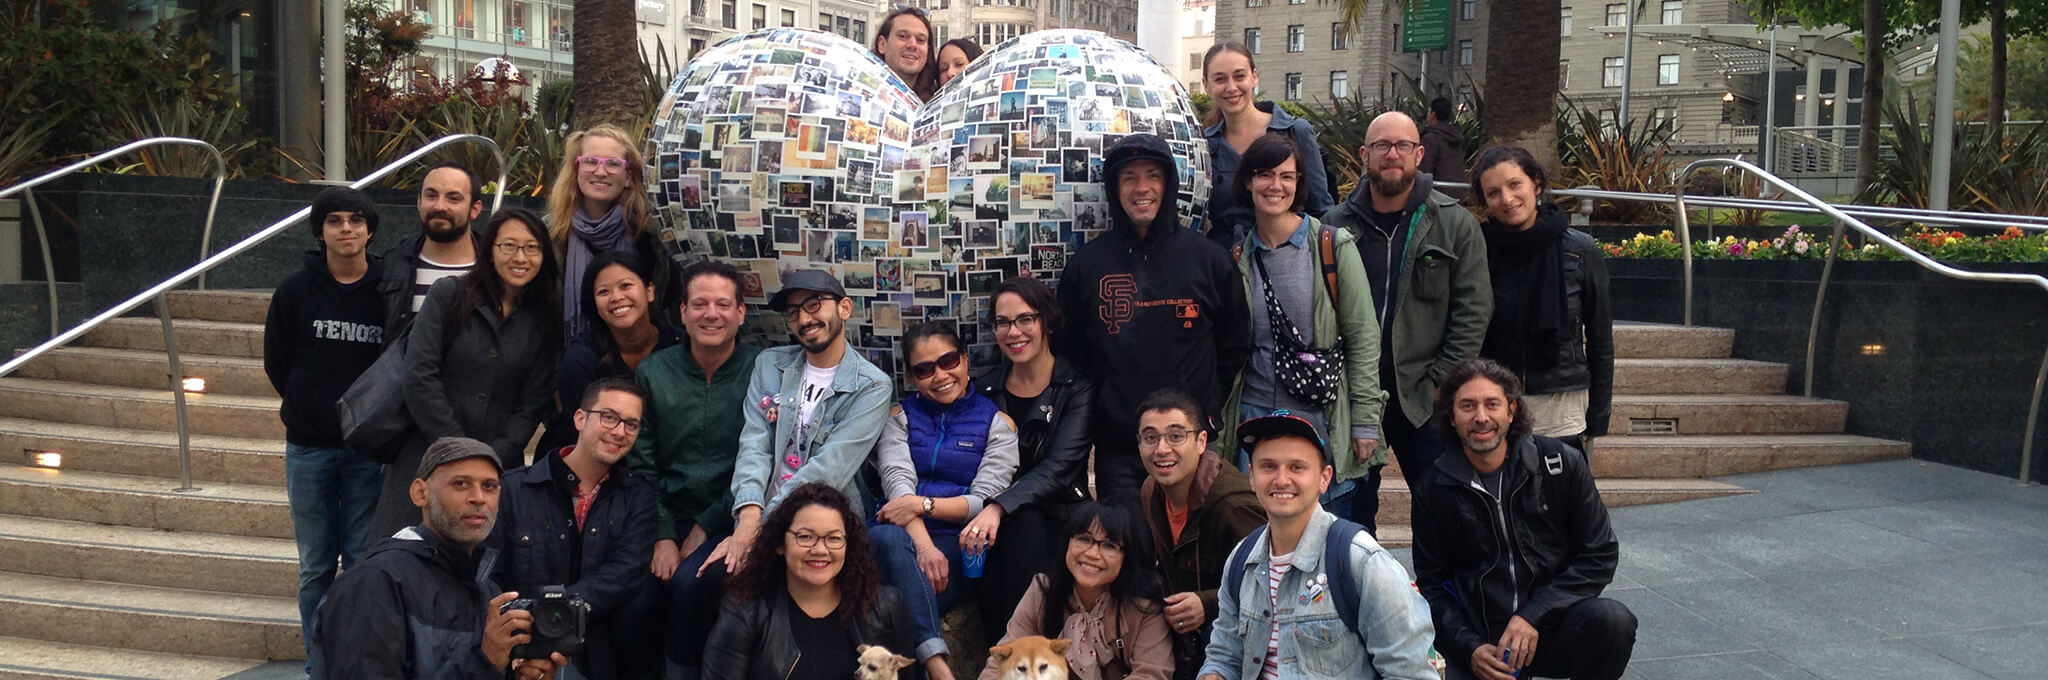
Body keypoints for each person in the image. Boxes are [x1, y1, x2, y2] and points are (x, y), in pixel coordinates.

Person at [1057, 133, 1252, 514]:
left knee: (1195, 556)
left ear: (1169, 184)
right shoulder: (1086, 266)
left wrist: (1207, 409)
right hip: (1120, 446)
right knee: (1131, 554)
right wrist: (1102, 411)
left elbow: (1234, 343)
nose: (1141, 188)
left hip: (1190, 442)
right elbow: (1070, 349)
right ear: (1115, 188)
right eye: (1129, 177)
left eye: (1152, 176)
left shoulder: (1209, 260)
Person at [1320, 111, 1491, 535]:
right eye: (1381, 146)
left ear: (1419, 154)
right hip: (1354, 397)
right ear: (1365, 155)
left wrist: (1440, 384)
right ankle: (1358, 596)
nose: (1391, 154)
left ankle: (1444, 599)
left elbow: (1472, 311)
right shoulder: (1332, 226)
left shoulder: (1454, 223)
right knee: (1351, 520)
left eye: (1402, 146)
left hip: (1424, 397)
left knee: (1443, 515)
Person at [1411, 359, 1635, 680]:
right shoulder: (1434, 487)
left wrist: (1532, 616)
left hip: (1550, 626)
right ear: (1452, 416)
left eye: (1492, 404)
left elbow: (1599, 555)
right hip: (1481, 638)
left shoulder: (1561, 464)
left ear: (1511, 411)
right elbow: (1431, 587)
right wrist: (1469, 647)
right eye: (1467, 406)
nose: (1481, 417)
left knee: (1612, 620)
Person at [1215, 133, 1385, 523]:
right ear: (1247, 182)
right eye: (1265, 175)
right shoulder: (1238, 258)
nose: (1276, 186)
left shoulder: (1331, 246)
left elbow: (1363, 338)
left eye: (1287, 176)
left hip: (1319, 418)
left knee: (1324, 538)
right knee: (1257, 533)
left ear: (1299, 183)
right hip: (1254, 419)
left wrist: (1364, 422)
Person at [368, 207, 564, 541]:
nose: (521, 257)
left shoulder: (544, 319)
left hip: (497, 466)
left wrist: (491, 458)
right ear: (489, 250)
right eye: (509, 246)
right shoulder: (449, 295)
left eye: (532, 248)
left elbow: (531, 405)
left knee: (482, 567)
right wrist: (456, 449)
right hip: (426, 453)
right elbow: (420, 375)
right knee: (401, 562)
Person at [1196, 413, 1436, 680]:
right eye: (1268, 466)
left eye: (1297, 467)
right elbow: (1224, 655)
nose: (1281, 479)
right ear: (1251, 476)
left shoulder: (1362, 562)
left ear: (1324, 478)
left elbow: (1412, 672)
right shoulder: (1241, 560)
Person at [311, 436, 569, 680]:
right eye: (460, 484)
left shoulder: (485, 588)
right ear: (420, 493)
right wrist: (485, 663)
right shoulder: (376, 583)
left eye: (489, 486)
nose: (478, 498)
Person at [264, 187, 389, 662]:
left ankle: (354, 661)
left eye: (356, 221)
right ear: (320, 231)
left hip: (367, 450)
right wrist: (306, 407)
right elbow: (278, 362)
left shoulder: (386, 290)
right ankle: (320, 662)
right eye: (335, 221)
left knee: (360, 561)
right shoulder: (295, 291)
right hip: (310, 448)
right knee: (315, 567)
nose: (346, 229)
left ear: (370, 230)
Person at [703, 270, 893, 578]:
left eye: (814, 304)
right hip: (755, 514)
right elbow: (754, 445)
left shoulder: (872, 386)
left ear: (844, 308)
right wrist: (749, 514)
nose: (804, 319)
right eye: (793, 312)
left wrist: (761, 528)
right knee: (699, 581)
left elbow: (829, 470)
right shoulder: (770, 364)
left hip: (822, 525)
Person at [627, 260, 766, 676]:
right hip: (661, 513)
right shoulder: (654, 372)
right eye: (700, 304)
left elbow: (763, 460)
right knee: (637, 596)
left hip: (733, 515)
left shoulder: (763, 370)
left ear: (741, 313)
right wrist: (663, 534)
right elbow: (640, 463)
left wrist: (706, 524)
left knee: (691, 582)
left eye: (723, 304)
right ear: (682, 312)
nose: (711, 314)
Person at [873, 322, 1021, 680]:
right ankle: (938, 668)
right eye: (924, 369)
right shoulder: (899, 417)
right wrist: (923, 546)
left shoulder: (997, 424)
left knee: (889, 611)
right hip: (900, 537)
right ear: (911, 377)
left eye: (948, 360)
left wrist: (922, 506)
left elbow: (982, 500)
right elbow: (897, 484)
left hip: (957, 543)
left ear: (965, 359)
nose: (940, 375)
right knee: (887, 538)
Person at [490, 377, 662, 680]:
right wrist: (523, 642)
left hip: (604, 655)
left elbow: (625, 575)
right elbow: (489, 575)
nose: (619, 432)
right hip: (520, 652)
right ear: (580, 418)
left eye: (631, 424)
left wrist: (553, 614)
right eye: (609, 417)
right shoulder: (514, 489)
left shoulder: (639, 496)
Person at [967, 276, 1095, 641]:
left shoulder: (1076, 388)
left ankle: (1025, 650)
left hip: (1057, 514)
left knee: (1026, 529)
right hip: (995, 519)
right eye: (1003, 322)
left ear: (1047, 323)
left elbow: (1059, 469)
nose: (1014, 332)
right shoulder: (984, 390)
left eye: (1026, 319)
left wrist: (999, 507)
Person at [703, 482, 923, 680]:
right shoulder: (745, 612)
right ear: (780, 543)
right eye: (805, 536)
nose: (820, 549)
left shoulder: (885, 607)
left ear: (849, 544)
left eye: (834, 538)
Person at [1473, 146, 1613, 453]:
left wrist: (1599, 414)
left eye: (1514, 184)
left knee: (1560, 496)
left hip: (1560, 401)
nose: (1506, 199)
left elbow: (1600, 337)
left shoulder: (1580, 250)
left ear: (1536, 184)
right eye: (1493, 192)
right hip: (1492, 400)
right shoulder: (1477, 251)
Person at [1132, 389, 1264, 680]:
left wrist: (1207, 604)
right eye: (1150, 438)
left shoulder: (1233, 503)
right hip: (1182, 624)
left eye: (1176, 436)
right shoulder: (1150, 490)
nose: (1162, 449)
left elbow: (1270, 580)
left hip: (1238, 631)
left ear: (1202, 441)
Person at [977, 502, 1174, 680]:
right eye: (1084, 539)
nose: (1092, 554)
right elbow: (1003, 660)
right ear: (1067, 542)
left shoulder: (1144, 604)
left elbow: (1152, 674)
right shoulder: (1043, 590)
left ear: (1127, 556)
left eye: (1109, 545)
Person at [537, 250, 685, 453]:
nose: (616, 297)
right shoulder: (580, 359)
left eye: (626, 286)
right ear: (594, 304)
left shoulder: (681, 346)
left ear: (650, 291)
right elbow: (582, 438)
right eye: (603, 292)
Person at [548, 124, 680, 338]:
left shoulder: (652, 234)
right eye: (590, 162)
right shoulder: (551, 234)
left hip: (643, 353)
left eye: (613, 164)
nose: (600, 172)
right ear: (576, 170)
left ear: (628, 177)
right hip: (570, 356)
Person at [1199, 42, 1334, 248]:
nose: (1231, 87)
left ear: (1254, 77)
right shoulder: (1204, 146)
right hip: (1224, 268)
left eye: (1239, 76)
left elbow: (1321, 210)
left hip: (1286, 262)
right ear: (1206, 85)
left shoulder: (1295, 132)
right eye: (1220, 79)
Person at [379, 161, 484, 338]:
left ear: (475, 209)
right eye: (431, 196)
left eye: (453, 198)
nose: (439, 206)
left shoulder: (494, 266)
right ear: (419, 202)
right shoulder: (393, 265)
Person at [873, 6, 937, 101]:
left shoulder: (937, 102)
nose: (912, 45)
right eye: (903, 36)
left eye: (921, 40)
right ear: (882, 44)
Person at [1420, 98, 1468, 200]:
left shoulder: (1430, 138)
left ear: (1433, 114)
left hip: (1437, 196)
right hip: (1457, 194)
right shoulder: (1456, 137)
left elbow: (1424, 171)